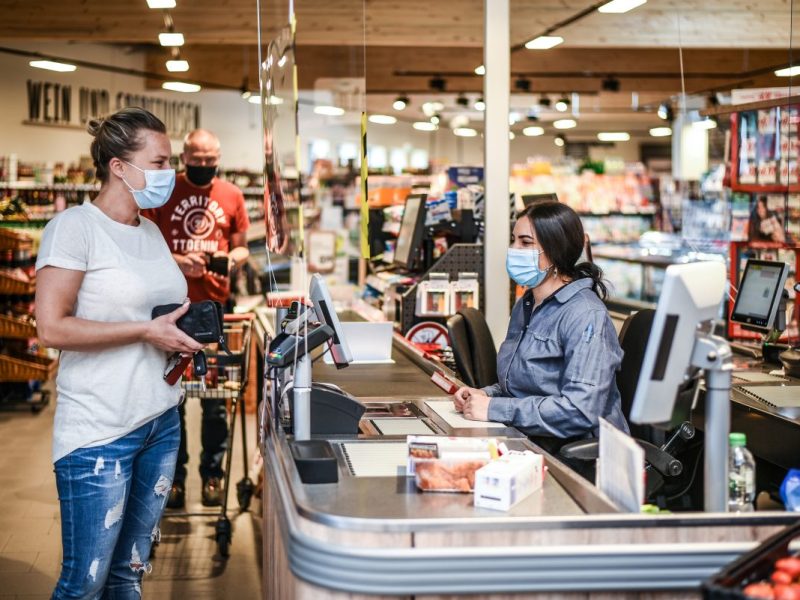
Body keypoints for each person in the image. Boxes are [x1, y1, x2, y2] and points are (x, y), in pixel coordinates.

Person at [35, 107, 203, 598]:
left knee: (128, 573)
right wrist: (145, 333)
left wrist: (179, 334)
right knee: (83, 584)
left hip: (160, 420)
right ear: (119, 166)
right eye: (161, 161)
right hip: (99, 432)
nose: (170, 173)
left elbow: (154, 313)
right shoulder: (73, 229)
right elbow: (51, 326)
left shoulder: (149, 231)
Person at [453, 201, 629, 449]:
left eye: (525, 243)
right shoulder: (527, 304)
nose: (514, 249)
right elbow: (523, 386)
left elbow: (580, 411)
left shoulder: (586, 315)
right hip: (532, 441)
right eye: (514, 240)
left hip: (577, 458)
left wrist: (495, 408)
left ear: (556, 250)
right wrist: (485, 395)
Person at [143, 129, 250, 508]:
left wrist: (232, 260)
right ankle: (174, 477)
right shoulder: (164, 192)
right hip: (171, 310)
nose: (203, 166)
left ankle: (213, 476)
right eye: (196, 159)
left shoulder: (232, 195)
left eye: (210, 160)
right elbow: (144, 243)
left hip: (216, 312)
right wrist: (177, 261)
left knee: (215, 401)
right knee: (172, 398)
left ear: (218, 157)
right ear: (183, 156)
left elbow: (242, 249)